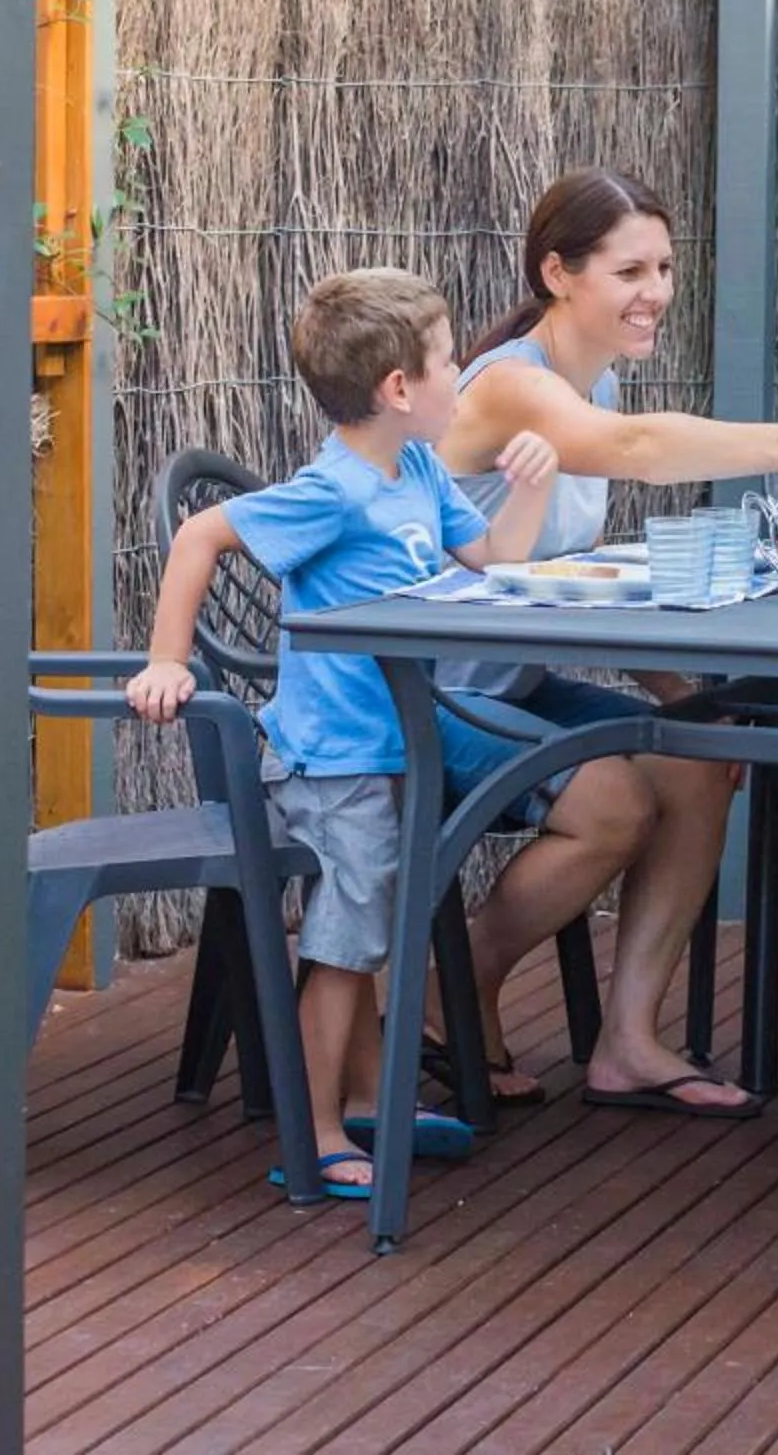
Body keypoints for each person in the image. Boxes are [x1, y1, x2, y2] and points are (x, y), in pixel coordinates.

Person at [432, 167, 778, 1117]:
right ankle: (449, 980)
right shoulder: (513, 387)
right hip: (419, 689)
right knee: (608, 802)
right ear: (558, 273)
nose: (657, 293)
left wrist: (682, 695)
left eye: (666, 268)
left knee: (697, 759)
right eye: (631, 270)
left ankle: (629, 1043)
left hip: (506, 681)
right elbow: (639, 449)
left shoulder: (585, 377)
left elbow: (575, 578)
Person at [127, 267, 561, 1200]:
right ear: (399, 390)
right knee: (342, 947)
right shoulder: (333, 493)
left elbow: (494, 565)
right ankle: (315, 1134)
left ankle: (368, 1103)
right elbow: (201, 535)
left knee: (365, 932)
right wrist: (168, 659)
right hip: (334, 761)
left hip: (394, 743)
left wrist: (532, 486)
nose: (463, 372)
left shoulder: (415, 472)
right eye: (450, 360)